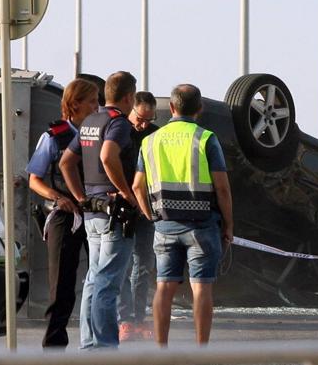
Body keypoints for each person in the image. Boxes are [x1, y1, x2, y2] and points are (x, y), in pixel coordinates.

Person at [132, 84, 233, 347]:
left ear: (173, 108)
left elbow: (136, 186)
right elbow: (221, 187)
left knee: (164, 287)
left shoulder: (150, 141)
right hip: (202, 226)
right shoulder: (206, 139)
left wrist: (150, 215)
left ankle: (162, 349)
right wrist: (229, 225)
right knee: (201, 288)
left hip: (164, 225)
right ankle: (201, 350)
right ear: (200, 109)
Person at [59, 71, 139, 349]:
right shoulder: (118, 123)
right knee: (108, 282)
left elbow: (66, 162)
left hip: (92, 212)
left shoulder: (90, 121)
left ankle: (89, 343)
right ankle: (105, 346)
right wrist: (127, 194)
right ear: (129, 97)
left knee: (93, 279)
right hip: (114, 214)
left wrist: (81, 196)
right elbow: (108, 155)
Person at [25, 78, 99, 348]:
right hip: (64, 216)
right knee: (62, 286)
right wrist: (58, 197)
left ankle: (96, 342)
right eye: (92, 101)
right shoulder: (53, 136)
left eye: (98, 100)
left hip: (95, 214)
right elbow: (35, 179)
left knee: (100, 279)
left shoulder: (98, 133)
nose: (97, 106)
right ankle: (54, 346)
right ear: (75, 104)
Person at [117, 92, 159, 341]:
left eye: (148, 120)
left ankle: (139, 317)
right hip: (123, 205)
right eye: (140, 119)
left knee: (144, 264)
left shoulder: (155, 133)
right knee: (123, 264)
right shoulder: (119, 129)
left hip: (146, 207)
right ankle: (125, 319)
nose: (143, 124)